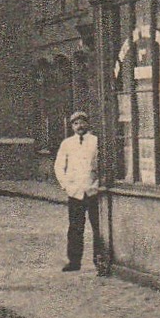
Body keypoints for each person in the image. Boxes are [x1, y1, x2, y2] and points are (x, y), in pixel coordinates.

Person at [53, 110, 103, 272]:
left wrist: (97, 184)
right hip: (75, 192)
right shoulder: (67, 144)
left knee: (98, 227)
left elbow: (101, 165)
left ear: (87, 124)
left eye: (82, 122)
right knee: (75, 227)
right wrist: (67, 186)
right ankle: (74, 261)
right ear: (72, 126)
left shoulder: (96, 141)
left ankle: (99, 260)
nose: (79, 126)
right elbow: (59, 167)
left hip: (93, 191)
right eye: (76, 123)